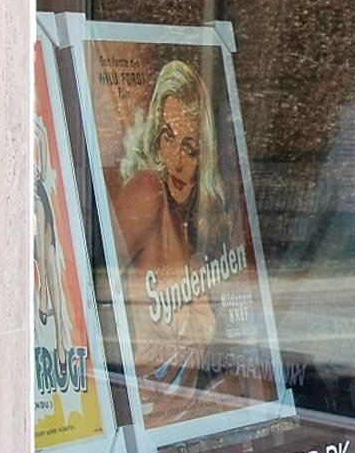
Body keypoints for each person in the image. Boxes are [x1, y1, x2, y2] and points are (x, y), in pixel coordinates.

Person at [112, 57, 261, 426]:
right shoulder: (148, 192)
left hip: (184, 421)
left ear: (206, 156)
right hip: (144, 419)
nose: (175, 160)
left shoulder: (196, 230)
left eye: (190, 148)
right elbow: (91, 282)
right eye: (168, 136)